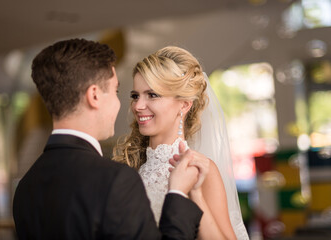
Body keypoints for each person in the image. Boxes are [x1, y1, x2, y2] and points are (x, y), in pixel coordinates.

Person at [13, 39, 210, 240]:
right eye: (115, 91)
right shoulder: (115, 181)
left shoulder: (26, 188)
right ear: (94, 96)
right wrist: (177, 194)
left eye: (151, 95)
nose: (130, 105)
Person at [113, 46, 249, 240]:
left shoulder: (200, 169)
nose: (138, 106)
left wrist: (196, 197)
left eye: (152, 95)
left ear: (184, 104)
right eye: (135, 96)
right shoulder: (130, 167)